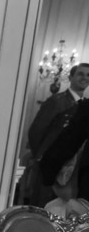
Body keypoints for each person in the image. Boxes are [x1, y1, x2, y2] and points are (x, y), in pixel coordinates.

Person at [27, 63, 89, 205]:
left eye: (88, 75)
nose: (85, 78)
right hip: (51, 166)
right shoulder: (56, 101)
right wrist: (42, 157)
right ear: (70, 77)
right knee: (44, 208)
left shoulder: (84, 105)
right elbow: (36, 132)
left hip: (72, 169)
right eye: (80, 74)